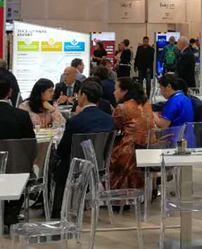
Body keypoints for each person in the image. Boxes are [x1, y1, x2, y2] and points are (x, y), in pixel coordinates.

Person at [52, 80, 114, 216]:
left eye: (78, 94)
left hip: (77, 165)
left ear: (84, 96)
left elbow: (63, 149)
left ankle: (57, 208)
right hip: (100, 164)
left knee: (57, 162)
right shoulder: (109, 119)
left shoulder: (76, 121)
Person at [110, 77, 154, 190]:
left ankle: (117, 195)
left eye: (116, 89)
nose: (114, 92)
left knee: (107, 154)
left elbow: (111, 129)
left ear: (124, 91)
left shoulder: (123, 108)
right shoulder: (147, 104)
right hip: (149, 149)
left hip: (130, 152)